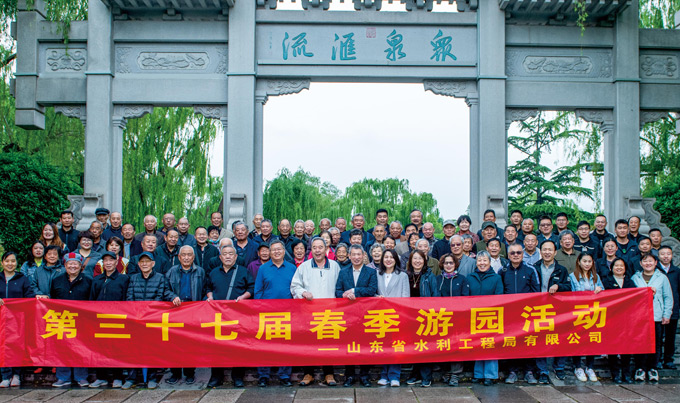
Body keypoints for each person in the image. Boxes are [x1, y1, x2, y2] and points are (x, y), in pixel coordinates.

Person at [123, 252, 180, 390]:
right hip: (136, 320)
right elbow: (129, 297)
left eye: (147, 261)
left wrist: (173, 297)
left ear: (153, 264)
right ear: (138, 264)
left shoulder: (160, 278)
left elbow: (163, 293)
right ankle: (131, 378)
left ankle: (152, 378)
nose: (145, 264)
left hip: (152, 320)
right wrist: (136, 313)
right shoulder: (133, 278)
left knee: (152, 350)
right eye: (142, 262)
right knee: (133, 350)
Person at [291, 237, 341, 387]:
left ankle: (329, 373)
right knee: (309, 343)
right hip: (309, 313)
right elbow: (294, 286)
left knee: (328, 343)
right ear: (311, 250)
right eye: (314, 247)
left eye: (320, 247)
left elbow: (340, 287)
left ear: (326, 249)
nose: (318, 250)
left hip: (329, 313)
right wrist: (303, 292)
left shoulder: (334, 266)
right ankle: (309, 374)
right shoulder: (304, 267)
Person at [206, 245, 254, 388]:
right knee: (216, 347)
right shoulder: (214, 272)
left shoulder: (243, 271)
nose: (228, 256)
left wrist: (243, 297)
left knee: (238, 347)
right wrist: (210, 297)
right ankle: (216, 377)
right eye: (225, 254)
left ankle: (238, 377)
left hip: (238, 315)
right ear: (220, 257)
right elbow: (208, 288)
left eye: (231, 254)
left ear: (236, 257)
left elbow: (251, 288)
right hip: (218, 316)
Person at [254, 240, 296, 387]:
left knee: (286, 346)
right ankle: (263, 376)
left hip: (287, 314)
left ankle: (284, 376)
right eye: (273, 250)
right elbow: (258, 291)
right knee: (265, 346)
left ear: (284, 251)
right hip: (267, 314)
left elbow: (295, 289)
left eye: (279, 249)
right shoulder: (263, 269)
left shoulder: (292, 268)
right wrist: (260, 309)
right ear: (269, 253)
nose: (276, 252)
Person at [336, 245, 378, 387]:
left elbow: (372, 290)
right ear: (349, 256)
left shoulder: (371, 272)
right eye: (353, 254)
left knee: (366, 345)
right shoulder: (343, 272)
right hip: (348, 315)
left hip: (366, 314)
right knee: (349, 346)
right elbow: (337, 291)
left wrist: (354, 291)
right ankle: (349, 375)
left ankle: (365, 376)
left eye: (359, 254)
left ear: (364, 255)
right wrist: (343, 294)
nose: (356, 257)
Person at [165, 246, 207, 385]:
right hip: (176, 311)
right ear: (179, 257)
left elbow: (205, 289)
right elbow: (165, 289)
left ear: (193, 257)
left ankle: (190, 373)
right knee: (174, 344)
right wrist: (172, 296)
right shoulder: (172, 271)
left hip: (193, 311)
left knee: (190, 344)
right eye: (184, 255)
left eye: (189, 255)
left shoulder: (200, 271)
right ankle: (175, 373)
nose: (186, 257)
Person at [50, 252, 92, 388]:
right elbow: (52, 300)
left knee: (81, 348)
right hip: (62, 321)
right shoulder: (57, 280)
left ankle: (81, 377)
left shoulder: (88, 280)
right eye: (70, 263)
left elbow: (92, 301)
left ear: (80, 266)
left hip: (82, 321)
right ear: (65, 265)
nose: (73, 266)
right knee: (62, 349)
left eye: (76, 264)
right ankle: (63, 377)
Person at [89, 251, 130, 389]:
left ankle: (118, 377)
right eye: (105, 260)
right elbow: (92, 300)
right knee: (100, 349)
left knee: (117, 349)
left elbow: (126, 299)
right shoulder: (97, 280)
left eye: (111, 260)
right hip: (100, 320)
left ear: (116, 261)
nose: (108, 263)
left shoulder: (123, 279)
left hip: (117, 319)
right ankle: (101, 377)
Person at [533, 240, 571, 383]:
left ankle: (559, 367)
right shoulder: (534, 268)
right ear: (540, 252)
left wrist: (558, 286)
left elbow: (569, 287)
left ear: (555, 252)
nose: (547, 252)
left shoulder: (562, 270)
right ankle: (542, 370)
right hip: (539, 309)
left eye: (550, 250)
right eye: (544, 250)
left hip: (557, 310)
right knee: (540, 340)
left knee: (560, 338)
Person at [501, 243, 539, 384]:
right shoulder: (503, 271)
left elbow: (536, 291)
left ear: (522, 254)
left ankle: (529, 371)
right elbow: (500, 292)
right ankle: (512, 371)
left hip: (527, 313)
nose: (515, 255)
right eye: (512, 253)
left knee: (528, 341)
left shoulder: (531, 269)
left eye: (518, 253)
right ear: (508, 255)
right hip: (509, 313)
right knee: (511, 342)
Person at [631, 253, 673, 383]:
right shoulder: (635, 277)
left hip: (656, 316)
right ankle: (640, 368)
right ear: (640, 263)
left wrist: (666, 314)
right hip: (639, 317)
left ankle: (652, 368)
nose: (648, 263)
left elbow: (668, 297)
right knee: (639, 343)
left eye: (650, 261)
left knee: (656, 343)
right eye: (645, 261)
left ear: (655, 263)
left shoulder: (662, 278)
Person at [467, 251, 503, 386]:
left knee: (490, 344)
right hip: (474, 316)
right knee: (478, 344)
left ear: (489, 262)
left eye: (484, 260)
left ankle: (490, 374)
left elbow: (499, 296)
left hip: (491, 316)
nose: (482, 263)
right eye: (479, 261)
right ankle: (478, 374)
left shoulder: (496, 278)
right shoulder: (470, 277)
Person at [0, 251, 36, 388]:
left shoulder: (22, 279)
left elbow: (29, 296)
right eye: (7, 261)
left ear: (17, 263)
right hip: (1, 319)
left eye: (13, 261)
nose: (10, 264)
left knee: (17, 346)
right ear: (2, 263)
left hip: (18, 319)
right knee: (3, 347)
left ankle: (16, 374)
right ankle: (5, 375)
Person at [375, 249, 409, 387]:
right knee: (383, 346)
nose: (388, 260)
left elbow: (405, 296)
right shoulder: (377, 274)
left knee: (396, 346)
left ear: (396, 260)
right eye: (386, 257)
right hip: (381, 316)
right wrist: (378, 297)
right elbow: (373, 292)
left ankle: (395, 376)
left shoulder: (402, 276)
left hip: (397, 315)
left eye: (391, 257)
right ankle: (384, 375)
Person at [435, 253, 470, 387]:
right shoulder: (438, 279)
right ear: (442, 265)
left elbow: (465, 297)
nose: (448, 265)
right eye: (446, 263)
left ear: (455, 264)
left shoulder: (462, 279)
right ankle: (446, 372)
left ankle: (456, 373)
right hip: (442, 318)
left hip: (458, 318)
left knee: (456, 345)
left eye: (451, 263)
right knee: (444, 345)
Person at [405, 250, 438, 387]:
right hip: (410, 316)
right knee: (414, 346)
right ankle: (416, 374)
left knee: (425, 346)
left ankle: (426, 376)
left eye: (420, 259)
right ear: (410, 261)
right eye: (415, 258)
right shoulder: (406, 275)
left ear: (424, 261)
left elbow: (435, 296)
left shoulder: (430, 276)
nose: (417, 261)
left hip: (425, 316)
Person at [569, 253, 604, 383]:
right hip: (578, 313)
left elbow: (604, 293)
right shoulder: (572, 277)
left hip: (593, 313)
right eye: (585, 261)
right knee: (577, 340)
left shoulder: (596, 277)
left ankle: (590, 367)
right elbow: (570, 294)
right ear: (579, 262)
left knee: (591, 339)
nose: (587, 264)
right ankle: (578, 367)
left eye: (589, 261)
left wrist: (600, 290)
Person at [602, 258, 636, 384]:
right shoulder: (606, 281)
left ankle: (626, 374)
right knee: (613, 348)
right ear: (611, 268)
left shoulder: (630, 282)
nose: (619, 268)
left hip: (627, 320)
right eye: (616, 265)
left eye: (622, 265)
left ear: (625, 268)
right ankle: (615, 374)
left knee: (626, 348)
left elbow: (637, 297)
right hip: (612, 319)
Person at [657, 246, 679, 369]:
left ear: (672, 256)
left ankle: (668, 360)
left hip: (673, 309)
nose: (665, 256)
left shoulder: (677, 271)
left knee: (670, 336)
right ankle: (658, 359)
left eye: (668, 254)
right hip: (658, 309)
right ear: (658, 256)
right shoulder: (655, 271)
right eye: (663, 254)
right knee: (658, 336)